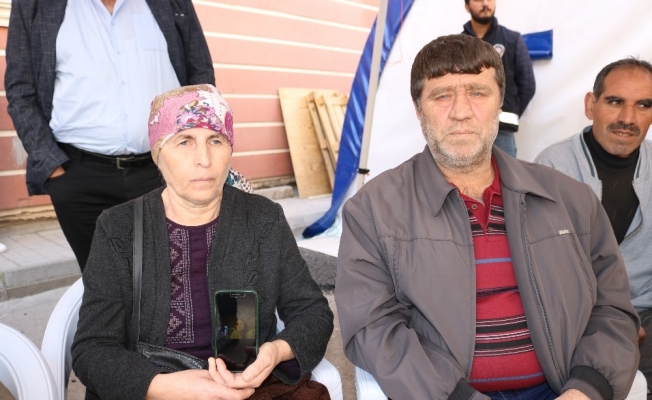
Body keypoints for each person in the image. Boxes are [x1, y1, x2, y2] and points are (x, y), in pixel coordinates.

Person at [335, 34, 639, 400]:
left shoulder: (570, 199)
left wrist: (586, 389)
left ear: (500, 103)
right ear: (418, 109)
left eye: (478, 93)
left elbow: (613, 309)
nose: (461, 111)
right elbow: (371, 326)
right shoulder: (373, 209)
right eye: (441, 95)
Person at [71, 85, 334, 400]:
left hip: (250, 385)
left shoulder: (263, 218)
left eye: (215, 140)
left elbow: (312, 312)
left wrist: (276, 351)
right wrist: (167, 387)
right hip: (156, 389)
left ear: (230, 149)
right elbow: (93, 349)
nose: (204, 159)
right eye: (184, 141)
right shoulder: (119, 227)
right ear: (158, 154)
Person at [5, 0, 215, 271]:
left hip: (164, 173)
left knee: (175, 276)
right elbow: (21, 90)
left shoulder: (171, 3)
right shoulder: (34, 5)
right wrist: (51, 165)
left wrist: (197, 154)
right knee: (103, 282)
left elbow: (201, 77)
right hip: (79, 177)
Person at [535, 57, 652, 397]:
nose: (628, 118)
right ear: (591, 105)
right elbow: (543, 271)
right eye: (615, 101)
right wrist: (613, 321)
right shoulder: (550, 168)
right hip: (579, 319)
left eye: (643, 105)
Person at [462, 0, 535, 158]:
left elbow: (527, 85)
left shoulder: (512, 39)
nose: (485, 3)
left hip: (502, 131)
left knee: (505, 174)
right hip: (466, 130)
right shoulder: (458, 44)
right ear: (467, 6)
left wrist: (508, 111)